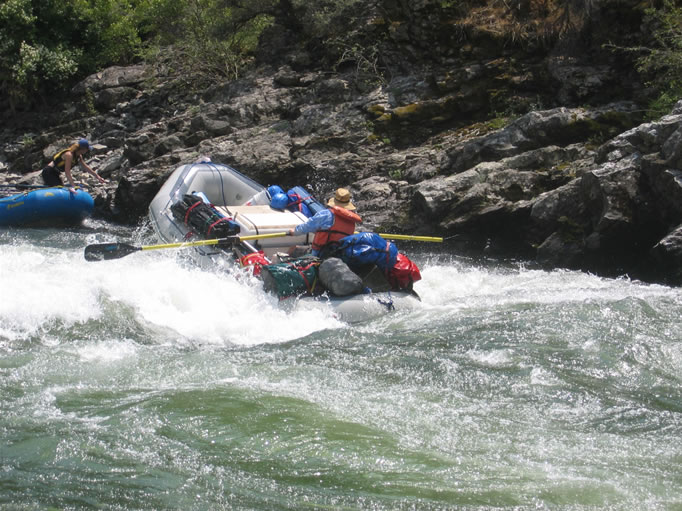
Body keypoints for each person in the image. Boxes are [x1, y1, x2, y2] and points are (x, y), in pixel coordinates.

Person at [287, 188, 362, 256]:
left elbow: (307, 226)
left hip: (320, 253)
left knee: (294, 248)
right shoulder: (351, 221)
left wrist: (294, 232)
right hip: (339, 254)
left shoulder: (326, 214)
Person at [41, 138, 106, 191]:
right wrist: (73, 186)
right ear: (82, 149)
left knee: (61, 187)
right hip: (48, 172)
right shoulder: (69, 155)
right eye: (87, 149)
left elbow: (85, 167)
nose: (87, 151)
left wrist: (98, 177)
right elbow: (67, 172)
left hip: (56, 173)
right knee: (59, 189)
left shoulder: (79, 156)